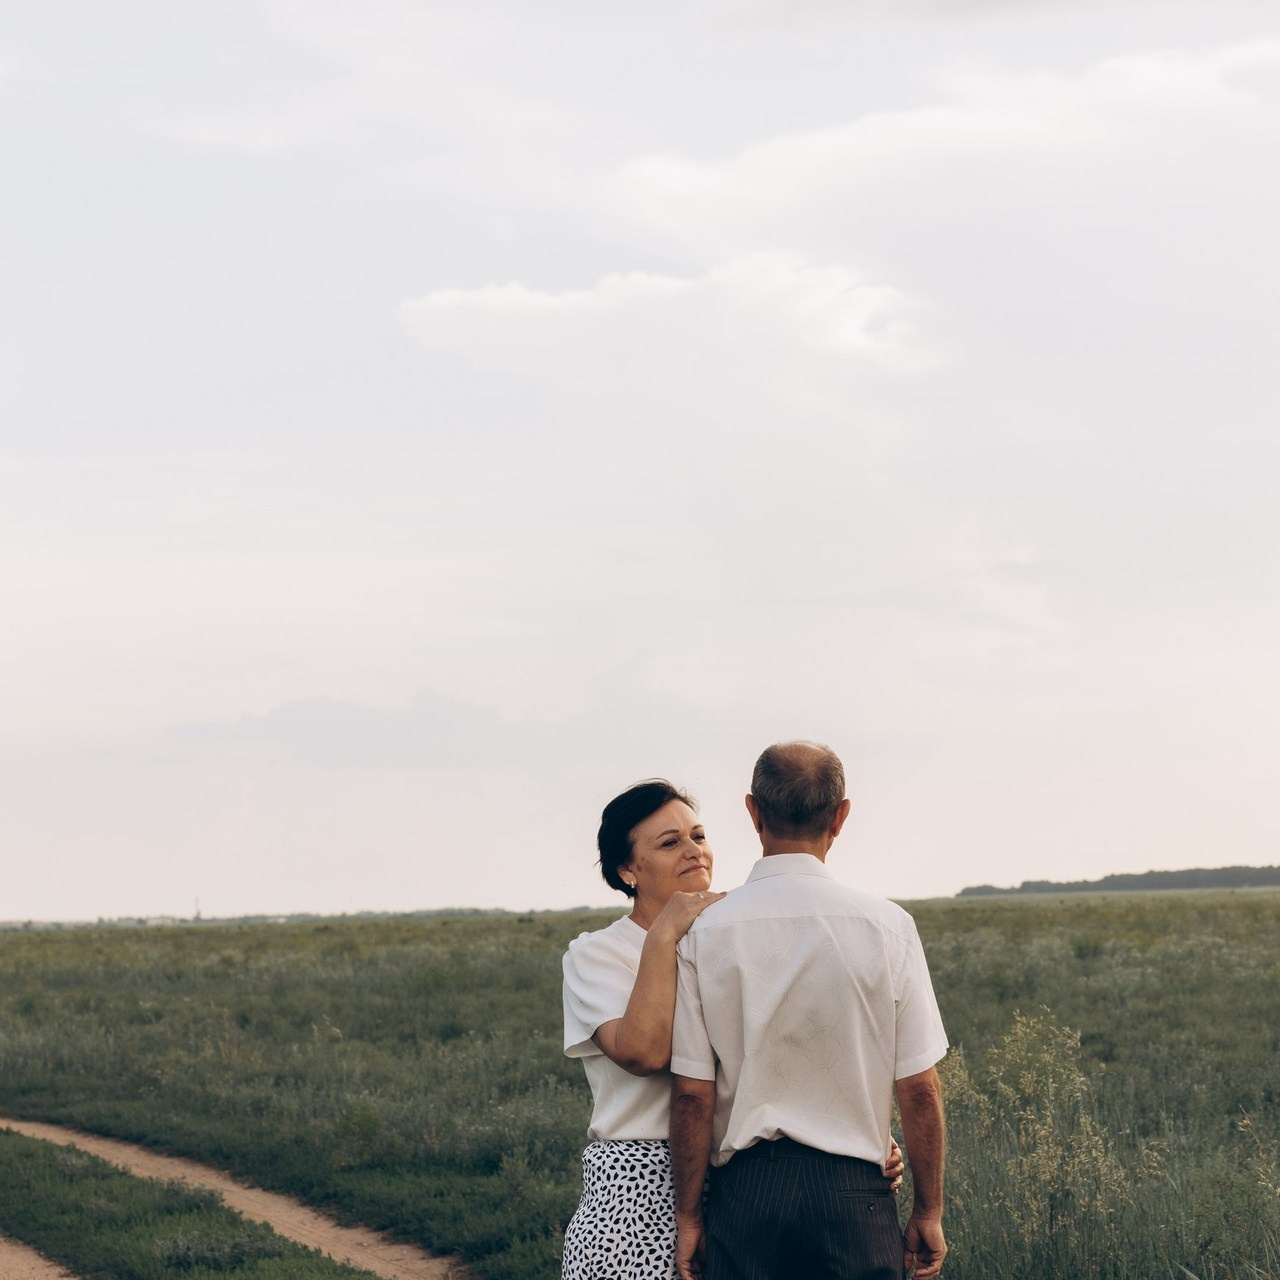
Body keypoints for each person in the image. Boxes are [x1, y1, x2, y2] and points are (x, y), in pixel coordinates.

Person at [562, 778, 904, 1280]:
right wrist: (663, 936)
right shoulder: (596, 954)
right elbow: (643, 1053)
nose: (693, 851)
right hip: (637, 1183)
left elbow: (792, 1046)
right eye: (669, 843)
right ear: (627, 870)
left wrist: (863, 1138)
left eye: (698, 836)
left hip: (737, 1178)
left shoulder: (730, 936)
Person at [669, 742, 949, 1280]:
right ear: (841, 816)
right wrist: (927, 1210)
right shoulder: (889, 927)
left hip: (745, 1199)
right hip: (856, 1199)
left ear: (753, 811)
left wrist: (688, 1217)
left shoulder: (703, 933)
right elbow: (919, 1088)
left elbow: (691, 1092)